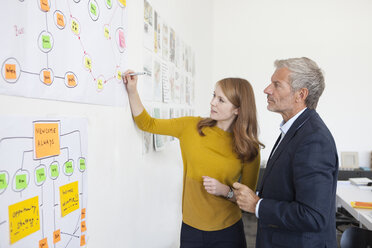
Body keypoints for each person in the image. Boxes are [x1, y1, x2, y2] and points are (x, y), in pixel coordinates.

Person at [123, 70, 264, 248]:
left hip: (228, 231)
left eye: (221, 100)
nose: (212, 102)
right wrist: (132, 90)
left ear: (238, 109)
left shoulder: (249, 148)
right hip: (191, 229)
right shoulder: (191, 126)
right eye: (214, 96)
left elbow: (247, 200)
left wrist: (224, 191)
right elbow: (147, 123)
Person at [233, 57, 338, 248]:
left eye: (276, 85)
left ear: (301, 94)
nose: (267, 90)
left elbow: (313, 216)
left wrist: (257, 205)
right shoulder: (296, 129)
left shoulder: (314, 140)